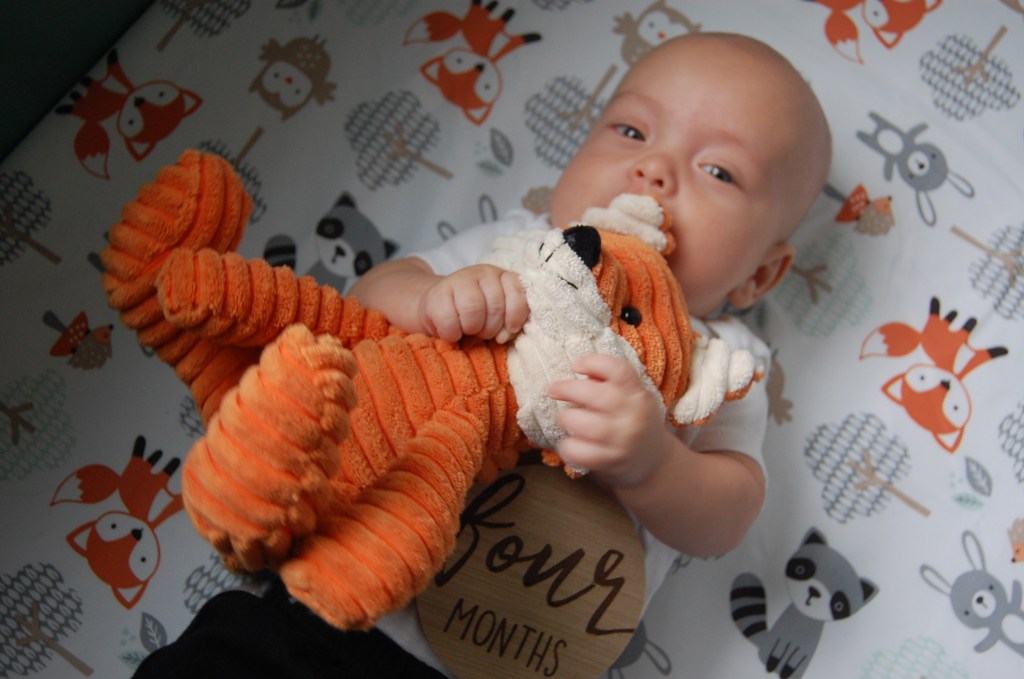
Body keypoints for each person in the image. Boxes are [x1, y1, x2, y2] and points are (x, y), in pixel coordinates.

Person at [135, 31, 830, 678]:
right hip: (327, 583)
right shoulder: (523, 247)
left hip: (506, 650)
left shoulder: (725, 359)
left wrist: (653, 463)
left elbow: (728, 514)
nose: (653, 169)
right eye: (630, 131)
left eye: (719, 170)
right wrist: (431, 298)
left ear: (760, 275)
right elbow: (368, 301)